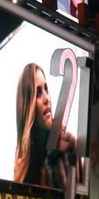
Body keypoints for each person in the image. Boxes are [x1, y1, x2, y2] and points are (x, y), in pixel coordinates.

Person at [14, 62, 76, 190]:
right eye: (38, 93)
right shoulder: (22, 162)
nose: (47, 98)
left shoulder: (66, 146)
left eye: (46, 89)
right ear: (28, 106)